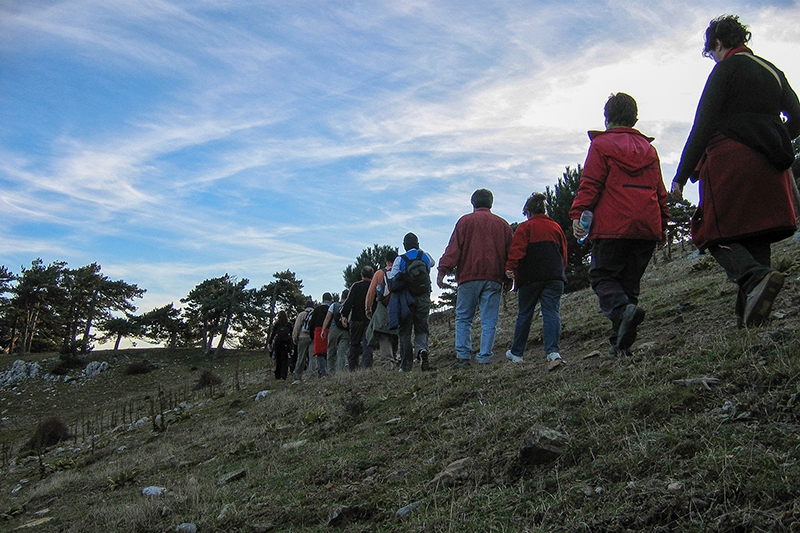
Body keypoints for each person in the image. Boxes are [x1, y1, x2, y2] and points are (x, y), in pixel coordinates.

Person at [670, 15, 799, 327]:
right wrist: (775, 135)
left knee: (712, 232)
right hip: (772, 165)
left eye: (711, 51)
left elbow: (703, 124)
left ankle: (756, 280)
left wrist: (681, 176)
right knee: (757, 234)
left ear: (718, 44)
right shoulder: (773, 71)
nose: (712, 56)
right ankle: (751, 322)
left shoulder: (724, 69)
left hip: (730, 160)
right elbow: (798, 116)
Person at [570, 92, 669, 357]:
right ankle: (620, 344)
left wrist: (578, 214)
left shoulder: (602, 146)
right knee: (629, 285)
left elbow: (590, 184)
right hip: (647, 226)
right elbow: (659, 190)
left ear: (607, 118)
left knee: (603, 277)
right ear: (635, 118)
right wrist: (664, 225)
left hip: (613, 225)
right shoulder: (649, 150)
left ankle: (622, 314)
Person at [437, 189, 513, 369]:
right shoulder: (503, 225)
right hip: (494, 277)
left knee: (463, 318)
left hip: (469, 276)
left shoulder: (465, 222)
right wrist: (509, 278)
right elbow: (510, 254)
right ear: (491, 203)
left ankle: (463, 357)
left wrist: (443, 270)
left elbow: (454, 249)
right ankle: (485, 356)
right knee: (489, 319)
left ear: (473, 203)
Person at [505, 193, 568, 370]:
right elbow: (563, 253)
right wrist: (560, 271)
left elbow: (517, 250)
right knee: (551, 312)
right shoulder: (556, 227)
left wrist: (510, 268)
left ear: (528, 211)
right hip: (554, 276)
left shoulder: (526, 228)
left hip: (530, 278)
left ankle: (517, 353)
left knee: (525, 313)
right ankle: (552, 352)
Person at [388, 232, 436, 372]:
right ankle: (422, 350)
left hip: (406, 301)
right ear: (418, 243)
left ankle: (406, 366)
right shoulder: (425, 256)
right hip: (424, 297)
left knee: (405, 332)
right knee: (421, 327)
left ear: (404, 245)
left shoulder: (399, 259)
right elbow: (432, 263)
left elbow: (393, 279)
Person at [365, 250, 400, 371]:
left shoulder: (380, 273)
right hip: (398, 307)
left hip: (383, 307)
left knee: (384, 335)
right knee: (396, 334)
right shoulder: (400, 271)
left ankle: (388, 364)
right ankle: (395, 359)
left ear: (386, 260)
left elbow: (371, 292)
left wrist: (368, 308)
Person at [341, 266, 375, 371]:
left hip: (356, 319)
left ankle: (352, 368)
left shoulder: (355, 286)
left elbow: (349, 302)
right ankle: (366, 367)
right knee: (368, 344)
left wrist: (344, 315)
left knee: (354, 344)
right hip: (370, 318)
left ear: (362, 274)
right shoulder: (374, 287)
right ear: (372, 275)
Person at [321, 289, 349, 374]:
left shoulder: (334, 305)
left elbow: (328, 318)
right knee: (342, 352)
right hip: (345, 330)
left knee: (331, 350)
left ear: (341, 296)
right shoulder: (349, 305)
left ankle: (330, 371)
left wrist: (323, 330)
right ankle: (340, 371)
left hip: (334, 329)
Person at [308, 293, 333, 377]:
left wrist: (311, 334)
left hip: (318, 330)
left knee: (320, 352)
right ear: (331, 299)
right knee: (329, 351)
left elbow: (311, 323)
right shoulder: (331, 308)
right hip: (330, 330)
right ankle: (329, 370)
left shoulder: (317, 309)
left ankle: (322, 371)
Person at [291, 299, 315, 381]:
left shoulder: (302, 314)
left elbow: (297, 327)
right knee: (312, 357)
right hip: (313, 337)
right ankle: (311, 375)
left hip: (302, 337)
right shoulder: (315, 314)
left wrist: (295, 337)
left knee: (301, 357)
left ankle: (298, 376)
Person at [267, 310, 293, 380]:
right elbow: (292, 334)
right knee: (285, 359)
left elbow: (273, 334)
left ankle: (277, 374)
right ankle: (284, 374)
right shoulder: (288, 324)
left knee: (278, 358)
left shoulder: (277, 324)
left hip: (278, 343)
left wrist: (269, 342)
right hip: (286, 343)